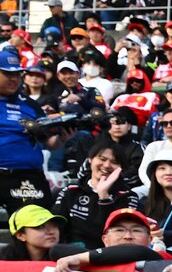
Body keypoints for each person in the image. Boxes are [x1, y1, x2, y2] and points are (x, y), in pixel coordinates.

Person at [0, 49, 60, 212]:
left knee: (38, 223)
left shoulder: (30, 105)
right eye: (7, 74)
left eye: (17, 74)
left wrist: (62, 137)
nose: (13, 78)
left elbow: (50, 142)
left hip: (27, 176)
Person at [53, 142, 138, 249]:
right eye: (102, 159)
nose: (107, 165)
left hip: (110, 254)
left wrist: (104, 196)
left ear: (121, 168)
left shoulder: (128, 197)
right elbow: (56, 226)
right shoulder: (71, 191)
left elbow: (118, 233)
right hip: (73, 253)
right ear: (90, 159)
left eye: (114, 162)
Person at [52, 208, 172, 272]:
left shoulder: (162, 257)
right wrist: (99, 257)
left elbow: (138, 251)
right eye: (119, 230)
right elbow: (56, 250)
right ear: (105, 239)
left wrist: (81, 259)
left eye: (136, 230)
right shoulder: (92, 258)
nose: (128, 236)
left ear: (149, 239)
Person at [0, 204, 70, 261]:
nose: (51, 232)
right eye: (40, 227)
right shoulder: (4, 259)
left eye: (54, 226)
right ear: (20, 235)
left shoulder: (70, 257)